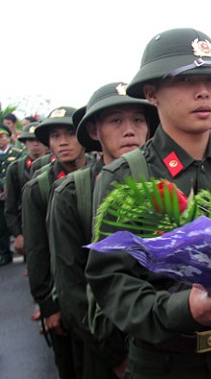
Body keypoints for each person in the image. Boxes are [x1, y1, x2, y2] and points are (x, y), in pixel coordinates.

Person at [84, 28, 211, 379]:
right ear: (151, 92)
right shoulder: (123, 177)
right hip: (164, 362)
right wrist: (182, 309)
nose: (204, 90)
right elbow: (111, 280)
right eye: (186, 79)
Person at [48, 82, 159, 379]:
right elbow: (71, 288)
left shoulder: (164, 185)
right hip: (105, 347)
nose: (129, 130)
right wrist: (116, 356)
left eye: (138, 119)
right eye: (116, 121)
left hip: (161, 344)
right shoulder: (72, 193)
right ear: (96, 131)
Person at [23, 106, 95, 379]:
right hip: (61, 296)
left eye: (69, 134)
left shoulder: (105, 175)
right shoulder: (39, 188)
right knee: (70, 366)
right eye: (55, 136)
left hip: (94, 292)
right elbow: (37, 250)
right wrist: (48, 307)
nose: (63, 142)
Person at [4, 121, 48, 258]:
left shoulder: (58, 163)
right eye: (30, 140)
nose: (35, 144)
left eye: (38, 140)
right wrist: (17, 235)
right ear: (25, 142)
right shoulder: (16, 169)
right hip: (30, 229)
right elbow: (10, 206)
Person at [0, 122, 24, 266]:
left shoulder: (16, 154)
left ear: (8, 138)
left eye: (3, 136)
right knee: (1, 226)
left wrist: (7, 187)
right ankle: (4, 253)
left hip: (14, 194)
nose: (0, 139)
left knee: (18, 219)